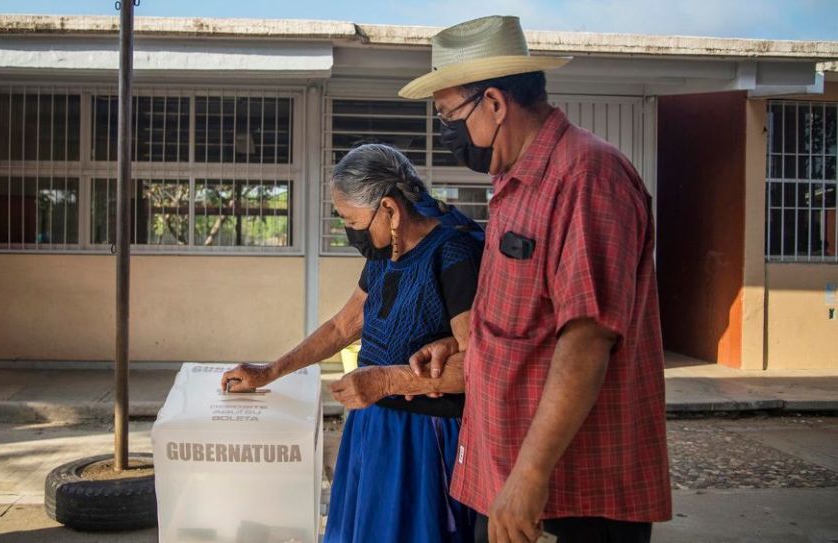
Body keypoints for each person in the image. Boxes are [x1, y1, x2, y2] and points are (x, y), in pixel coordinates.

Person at [400, 15, 672, 543]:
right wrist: (463, 347)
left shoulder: (587, 176)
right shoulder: (514, 180)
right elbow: (530, 314)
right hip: (505, 468)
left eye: (450, 115)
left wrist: (529, 476)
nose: (448, 133)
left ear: (496, 104)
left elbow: (587, 336)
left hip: (568, 489)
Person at [222, 143, 482, 543]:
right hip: (372, 424)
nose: (349, 231)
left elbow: (478, 368)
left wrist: (387, 381)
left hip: (422, 443)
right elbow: (343, 326)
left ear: (391, 210)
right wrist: (268, 371)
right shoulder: (386, 250)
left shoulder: (454, 251)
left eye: (351, 220)